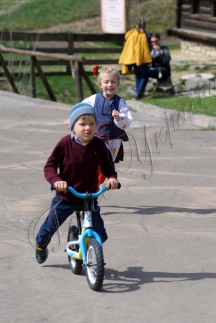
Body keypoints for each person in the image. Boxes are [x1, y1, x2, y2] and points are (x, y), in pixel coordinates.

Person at [35, 103, 118, 264]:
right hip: (66, 197)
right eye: (82, 124)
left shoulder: (99, 145)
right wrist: (56, 181)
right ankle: (40, 244)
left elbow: (107, 164)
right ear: (73, 127)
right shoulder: (65, 143)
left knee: (98, 230)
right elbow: (50, 166)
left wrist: (112, 178)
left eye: (92, 123)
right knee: (51, 226)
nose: (87, 128)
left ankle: (90, 246)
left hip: (88, 196)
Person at [64, 66, 133, 186]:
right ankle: (86, 184)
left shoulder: (120, 102)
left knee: (107, 164)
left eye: (113, 82)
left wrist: (119, 117)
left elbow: (128, 119)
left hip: (113, 139)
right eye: (106, 82)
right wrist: (73, 119)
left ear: (118, 83)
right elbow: (81, 108)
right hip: (97, 137)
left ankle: (94, 188)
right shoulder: (94, 99)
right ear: (100, 84)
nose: (110, 85)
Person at [118, 19, 152, 100]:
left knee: (137, 75)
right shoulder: (146, 35)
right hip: (143, 58)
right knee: (144, 76)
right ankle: (139, 92)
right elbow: (149, 46)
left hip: (133, 58)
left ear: (136, 25)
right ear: (145, 26)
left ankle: (139, 93)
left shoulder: (131, 34)